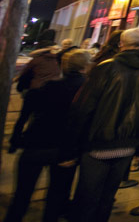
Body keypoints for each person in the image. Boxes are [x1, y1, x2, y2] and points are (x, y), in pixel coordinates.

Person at [66, 28, 139, 222]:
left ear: (121, 44)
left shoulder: (106, 67)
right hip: (128, 144)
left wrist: (71, 146)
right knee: (107, 197)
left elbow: (85, 107)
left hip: (98, 143)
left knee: (87, 197)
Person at [6, 49, 91, 222]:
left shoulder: (45, 89)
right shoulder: (87, 92)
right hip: (64, 150)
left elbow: (24, 117)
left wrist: (16, 140)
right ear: (85, 66)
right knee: (56, 198)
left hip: (35, 145)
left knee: (21, 196)